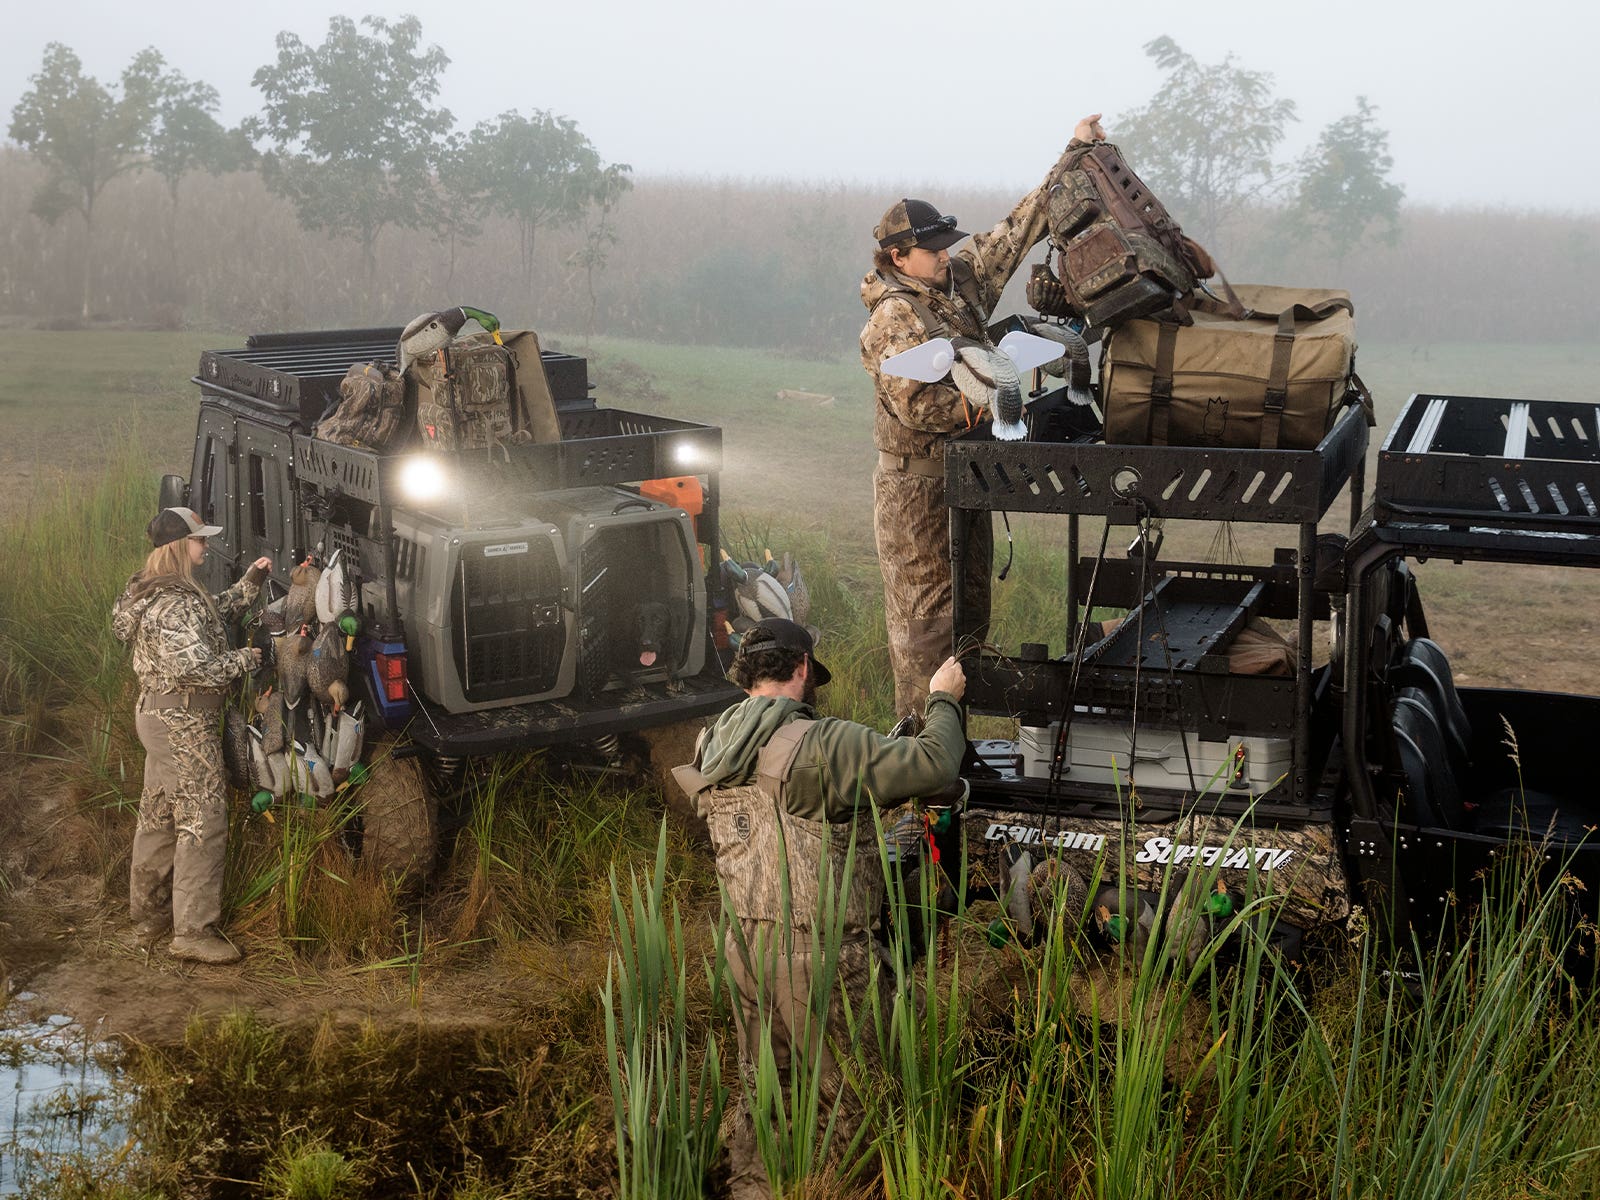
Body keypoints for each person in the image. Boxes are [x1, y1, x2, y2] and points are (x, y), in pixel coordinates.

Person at [673, 618, 966, 1197]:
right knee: (853, 1105)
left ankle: (753, 1190)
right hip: (821, 955)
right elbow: (936, 764)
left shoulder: (712, 742)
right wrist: (943, 699)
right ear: (803, 668)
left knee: (766, 1092)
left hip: (743, 951)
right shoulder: (826, 743)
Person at [861, 112, 1107, 719]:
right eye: (932, 249)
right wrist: (1002, 393)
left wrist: (1071, 153)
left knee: (970, 617)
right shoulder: (894, 317)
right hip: (917, 487)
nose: (946, 255)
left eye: (946, 245)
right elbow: (918, 406)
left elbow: (1016, 232)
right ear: (897, 256)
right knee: (928, 626)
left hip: (968, 474)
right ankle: (922, 767)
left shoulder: (958, 285)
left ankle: (955, 747)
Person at [110, 508, 271, 964]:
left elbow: (210, 618)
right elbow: (196, 667)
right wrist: (249, 658)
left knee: (159, 813)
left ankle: (149, 917)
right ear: (181, 546)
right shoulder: (175, 602)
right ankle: (193, 932)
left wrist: (250, 585)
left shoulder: (155, 590)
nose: (205, 546)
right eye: (199, 540)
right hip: (182, 721)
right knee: (204, 816)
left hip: (160, 716)